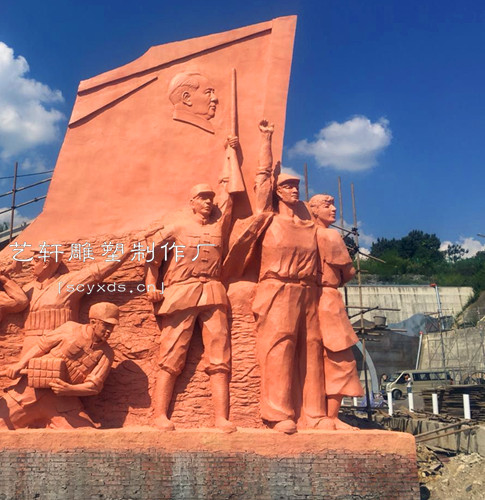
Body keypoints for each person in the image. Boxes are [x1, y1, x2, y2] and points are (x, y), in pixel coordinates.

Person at [145, 134, 239, 431]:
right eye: (203, 198)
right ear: (192, 202)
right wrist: (151, 284)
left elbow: (229, 191)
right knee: (171, 354)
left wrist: (231, 152)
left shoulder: (219, 225)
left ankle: (221, 417)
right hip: (181, 292)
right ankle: (160, 414)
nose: (209, 202)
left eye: (210, 198)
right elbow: (151, 257)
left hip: (212, 291)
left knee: (220, 356)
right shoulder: (177, 227)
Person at [252, 170, 330, 434]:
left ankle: (314, 413)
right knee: (280, 347)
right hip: (278, 286)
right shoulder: (269, 220)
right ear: (277, 191)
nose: (294, 190)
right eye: (287, 186)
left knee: (313, 347)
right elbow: (262, 181)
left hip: (308, 288)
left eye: (297, 186)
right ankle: (278, 413)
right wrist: (265, 144)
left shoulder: (309, 225)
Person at [0, 302, 119, 429]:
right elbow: (41, 346)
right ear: (93, 322)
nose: (109, 331)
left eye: (112, 327)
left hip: (63, 402)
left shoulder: (106, 354)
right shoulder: (70, 329)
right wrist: (20, 365)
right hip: (31, 391)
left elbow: (94, 386)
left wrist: (69, 389)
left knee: (86, 434)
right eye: (106, 325)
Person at [309, 194, 363, 430]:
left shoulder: (303, 233)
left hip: (305, 298)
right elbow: (349, 272)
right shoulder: (330, 235)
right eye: (327, 205)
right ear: (314, 210)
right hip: (328, 299)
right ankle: (331, 416)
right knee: (340, 359)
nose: (333, 209)